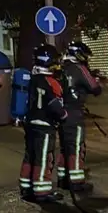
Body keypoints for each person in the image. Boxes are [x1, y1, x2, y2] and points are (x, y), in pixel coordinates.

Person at [19, 44, 68, 202]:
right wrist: (63, 115)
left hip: (30, 124)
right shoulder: (50, 82)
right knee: (44, 158)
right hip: (45, 126)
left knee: (30, 156)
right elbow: (54, 104)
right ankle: (42, 192)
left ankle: (26, 188)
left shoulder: (32, 79)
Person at [57, 40, 103, 193]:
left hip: (60, 113)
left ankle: (63, 179)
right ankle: (77, 182)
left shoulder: (61, 68)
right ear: (78, 54)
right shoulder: (79, 68)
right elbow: (95, 89)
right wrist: (96, 80)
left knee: (65, 147)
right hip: (74, 114)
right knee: (76, 147)